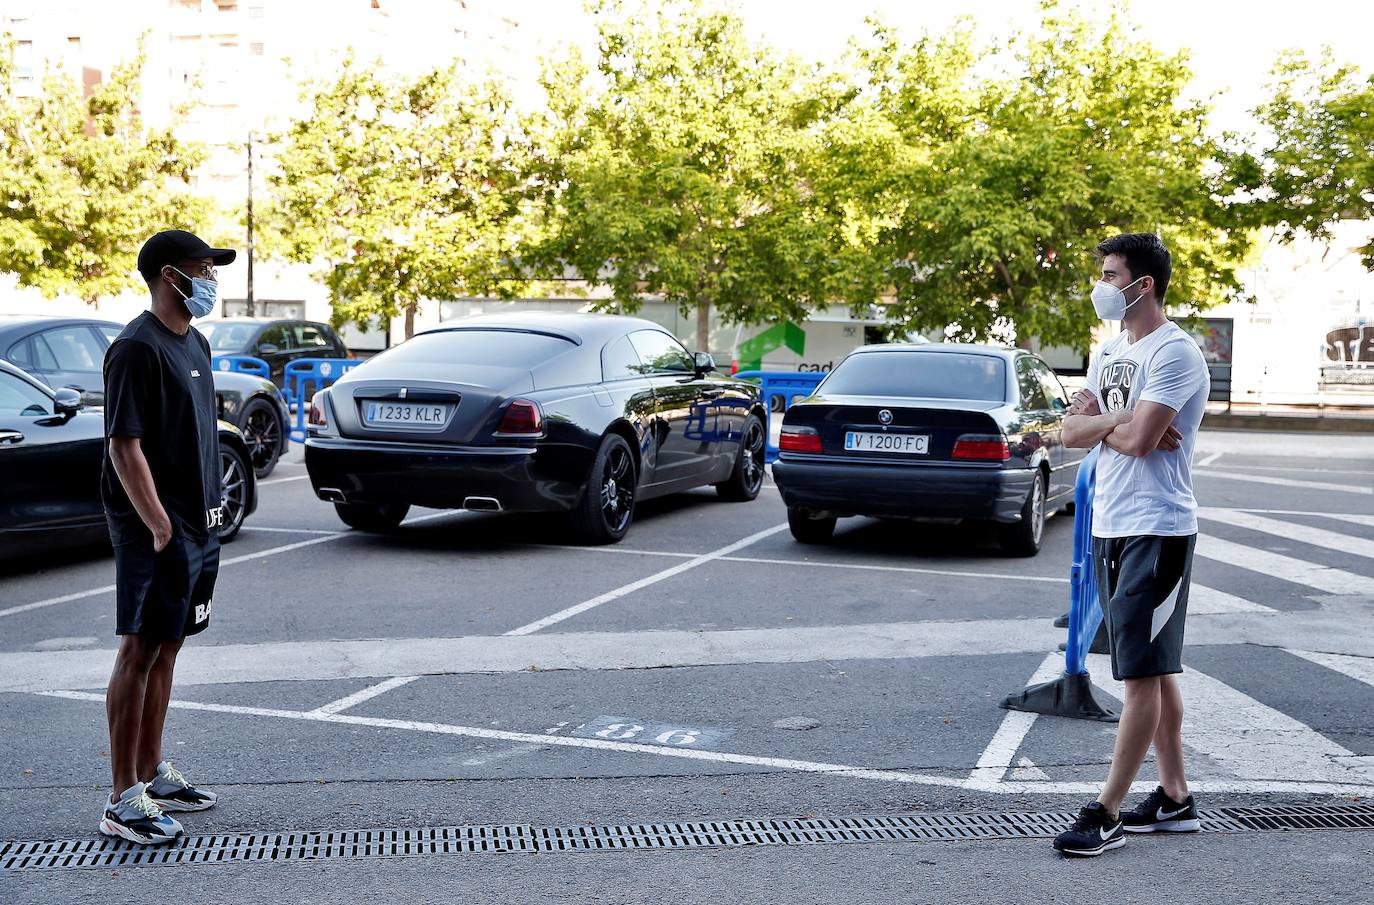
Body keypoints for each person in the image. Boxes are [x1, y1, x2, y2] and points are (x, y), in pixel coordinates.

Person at [1052, 232, 1210, 857]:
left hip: (1158, 527)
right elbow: (1071, 431)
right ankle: (1175, 798)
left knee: (1139, 675)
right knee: (1155, 666)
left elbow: (1143, 441)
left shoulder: (1175, 354)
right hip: (1112, 523)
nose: (1103, 284)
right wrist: (1122, 420)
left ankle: (1108, 809)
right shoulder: (1112, 349)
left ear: (1143, 284)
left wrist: (1113, 425)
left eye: (1112, 274)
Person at [99, 229, 236, 844]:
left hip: (197, 526)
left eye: (212, 269)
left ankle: (153, 773)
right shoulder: (135, 349)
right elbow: (124, 445)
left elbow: (195, 438)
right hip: (156, 530)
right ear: (166, 275)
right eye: (200, 269)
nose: (210, 279)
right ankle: (121, 796)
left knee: (170, 647)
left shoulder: (196, 343)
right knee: (140, 650)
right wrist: (158, 524)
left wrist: (210, 514)